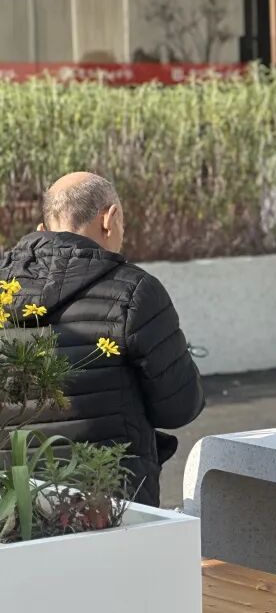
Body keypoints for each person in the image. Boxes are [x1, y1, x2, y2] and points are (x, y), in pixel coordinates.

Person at [0, 172, 205, 506]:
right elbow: (180, 408)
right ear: (110, 219)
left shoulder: (3, 291)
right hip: (108, 503)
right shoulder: (134, 291)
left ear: (43, 229)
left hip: (13, 503)